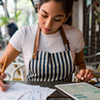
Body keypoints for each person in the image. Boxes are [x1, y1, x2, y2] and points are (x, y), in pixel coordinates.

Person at [0, 0, 94, 91]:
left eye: (57, 19)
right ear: (38, 9)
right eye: (44, 15)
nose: (48, 24)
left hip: (64, 95)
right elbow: (1, 63)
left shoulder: (75, 35)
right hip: (34, 95)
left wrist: (82, 74)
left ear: (66, 17)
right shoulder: (24, 34)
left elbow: (79, 64)